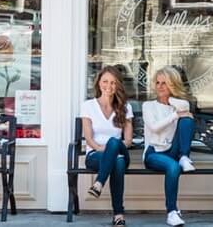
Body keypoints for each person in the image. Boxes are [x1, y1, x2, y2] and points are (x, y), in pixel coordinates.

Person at [142, 66, 196, 227]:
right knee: (173, 167)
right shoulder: (148, 106)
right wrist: (175, 115)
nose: (159, 86)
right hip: (153, 153)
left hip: (172, 150)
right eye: (157, 83)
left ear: (173, 84)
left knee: (187, 120)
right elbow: (154, 127)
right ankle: (172, 212)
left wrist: (170, 100)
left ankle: (184, 156)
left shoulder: (179, 104)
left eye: (164, 83)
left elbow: (185, 106)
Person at [81, 66, 133, 226]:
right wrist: (106, 150)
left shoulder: (125, 107)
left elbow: (128, 141)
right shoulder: (88, 105)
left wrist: (112, 146)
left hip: (121, 151)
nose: (108, 86)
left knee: (113, 142)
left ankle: (98, 183)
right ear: (98, 83)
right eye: (105, 81)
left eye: (113, 82)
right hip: (95, 155)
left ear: (118, 85)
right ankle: (118, 214)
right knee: (116, 162)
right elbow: (89, 139)